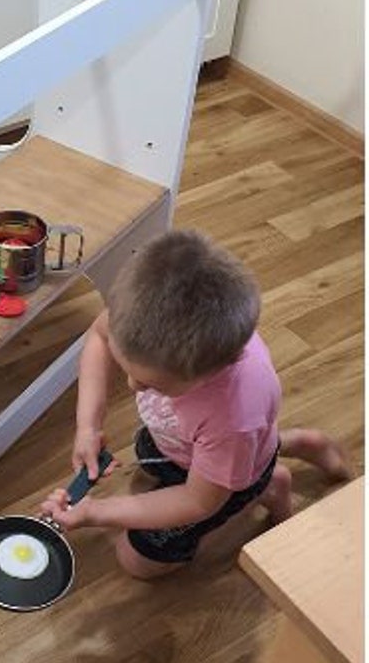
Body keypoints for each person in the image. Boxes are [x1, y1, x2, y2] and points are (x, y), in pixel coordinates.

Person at [41, 228, 351, 580]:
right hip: (188, 445)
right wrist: (89, 426)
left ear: (211, 374)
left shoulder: (233, 418)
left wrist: (98, 513)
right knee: (153, 453)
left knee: (137, 563)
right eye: (127, 368)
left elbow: (199, 501)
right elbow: (99, 337)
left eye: (151, 384)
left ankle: (267, 484)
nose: (133, 386)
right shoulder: (143, 318)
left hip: (219, 479)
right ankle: (285, 446)